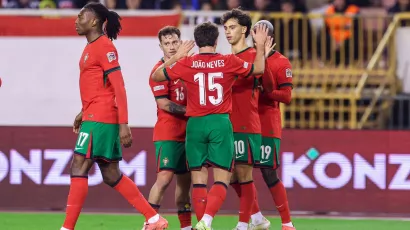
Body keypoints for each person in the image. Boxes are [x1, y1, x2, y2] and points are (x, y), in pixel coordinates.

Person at [151, 21, 269, 230]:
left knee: (198, 181)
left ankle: (201, 223)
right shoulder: (228, 61)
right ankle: (207, 220)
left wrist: (177, 57)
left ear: (196, 42)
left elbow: (156, 76)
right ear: (216, 41)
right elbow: (258, 69)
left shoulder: (187, 63)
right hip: (219, 123)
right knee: (222, 178)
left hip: (194, 124)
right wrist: (259, 45)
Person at [60, 3, 168, 230]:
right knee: (111, 175)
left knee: (78, 166)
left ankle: (67, 228)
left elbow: (119, 87)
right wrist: (83, 111)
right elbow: (100, 87)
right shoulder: (91, 46)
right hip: (94, 114)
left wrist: (124, 124)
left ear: (94, 21)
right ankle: (154, 219)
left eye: (81, 15)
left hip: (101, 117)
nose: (76, 19)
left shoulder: (104, 46)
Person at [221, 8, 274, 230]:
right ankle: (258, 217)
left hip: (245, 123)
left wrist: (262, 52)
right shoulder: (226, 59)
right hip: (226, 125)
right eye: (225, 28)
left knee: (243, 173)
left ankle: (243, 225)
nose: (227, 32)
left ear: (244, 30)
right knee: (231, 177)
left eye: (232, 27)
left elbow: (270, 87)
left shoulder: (253, 55)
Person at [145, 26, 192, 230]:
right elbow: (164, 104)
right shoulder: (159, 72)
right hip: (168, 132)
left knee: (185, 183)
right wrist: (192, 111)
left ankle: (186, 226)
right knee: (164, 179)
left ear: (180, 43)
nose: (171, 47)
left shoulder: (190, 66)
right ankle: (149, 222)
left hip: (189, 133)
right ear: (161, 46)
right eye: (167, 43)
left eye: (174, 42)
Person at [252, 20, 296, 230]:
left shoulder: (281, 62)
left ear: (268, 37)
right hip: (245, 124)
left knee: (269, 173)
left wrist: (265, 93)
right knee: (236, 173)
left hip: (267, 124)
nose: (254, 39)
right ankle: (255, 217)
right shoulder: (248, 58)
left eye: (258, 35)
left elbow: (286, 96)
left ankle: (287, 223)